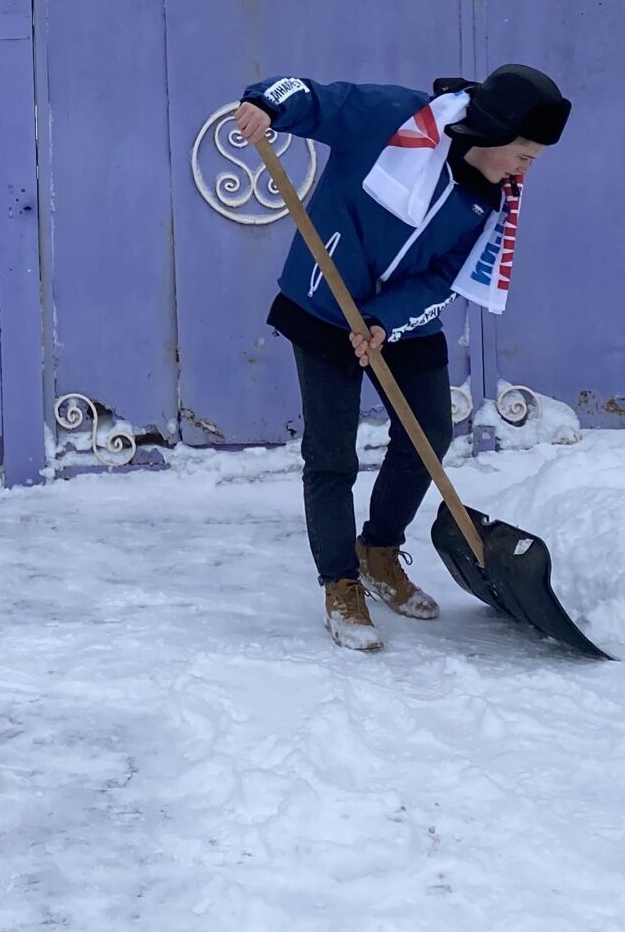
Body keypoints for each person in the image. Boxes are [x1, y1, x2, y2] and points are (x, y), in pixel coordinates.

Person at [235, 63, 569, 652]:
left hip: (401, 320)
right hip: (321, 303)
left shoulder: (489, 200)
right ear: (493, 135)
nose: (525, 169)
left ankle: (379, 550)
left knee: (428, 433)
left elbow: (446, 275)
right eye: (524, 154)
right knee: (332, 453)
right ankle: (340, 584)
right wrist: (266, 104)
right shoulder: (398, 119)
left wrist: (383, 321)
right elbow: (316, 97)